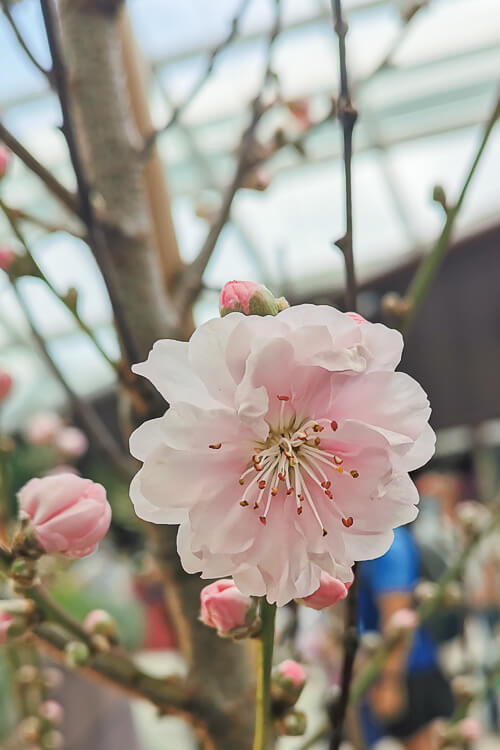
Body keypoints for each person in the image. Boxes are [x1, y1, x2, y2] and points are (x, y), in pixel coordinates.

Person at [358, 525, 454, 750]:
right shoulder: (375, 541)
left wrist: (390, 681)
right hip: (393, 666)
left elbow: (397, 619)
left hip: (410, 671)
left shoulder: (391, 545)